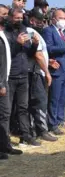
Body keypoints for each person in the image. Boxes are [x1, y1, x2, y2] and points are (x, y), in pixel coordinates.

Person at [5, 8, 41, 146]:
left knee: (23, 107)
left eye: (21, 18)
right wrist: (17, 44)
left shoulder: (24, 30)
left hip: (23, 75)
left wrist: (35, 44)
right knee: (6, 110)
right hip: (10, 76)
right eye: (16, 18)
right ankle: (5, 139)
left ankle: (26, 135)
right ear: (10, 17)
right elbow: (7, 55)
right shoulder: (5, 33)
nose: (19, 20)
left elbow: (28, 53)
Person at [43, 9, 65, 135]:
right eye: (60, 18)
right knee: (55, 98)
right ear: (53, 19)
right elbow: (49, 48)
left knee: (63, 98)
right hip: (56, 70)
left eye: (64, 18)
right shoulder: (48, 31)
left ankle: (60, 120)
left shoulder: (64, 33)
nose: (63, 20)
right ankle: (52, 124)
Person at [27, 7, 57, 141]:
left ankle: (38, 129)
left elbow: (41, 54)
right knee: (40, 101)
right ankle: (41, 130)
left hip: (40, 70)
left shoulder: (36, 32)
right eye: (39, 20)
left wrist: (48, 61)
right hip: (36, 72)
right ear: (32, 20)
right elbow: (37, 55)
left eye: (43, 20)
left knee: (40, 101)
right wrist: (47, 72)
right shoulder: (30, 32)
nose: (42, 23)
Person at [0, 4, 23, 160]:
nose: (5, 17)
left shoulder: (3, 34)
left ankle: (5, 145)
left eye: (7, 14)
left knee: (5, 114)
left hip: (5, 79)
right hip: (1, 82)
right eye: (3, 14)